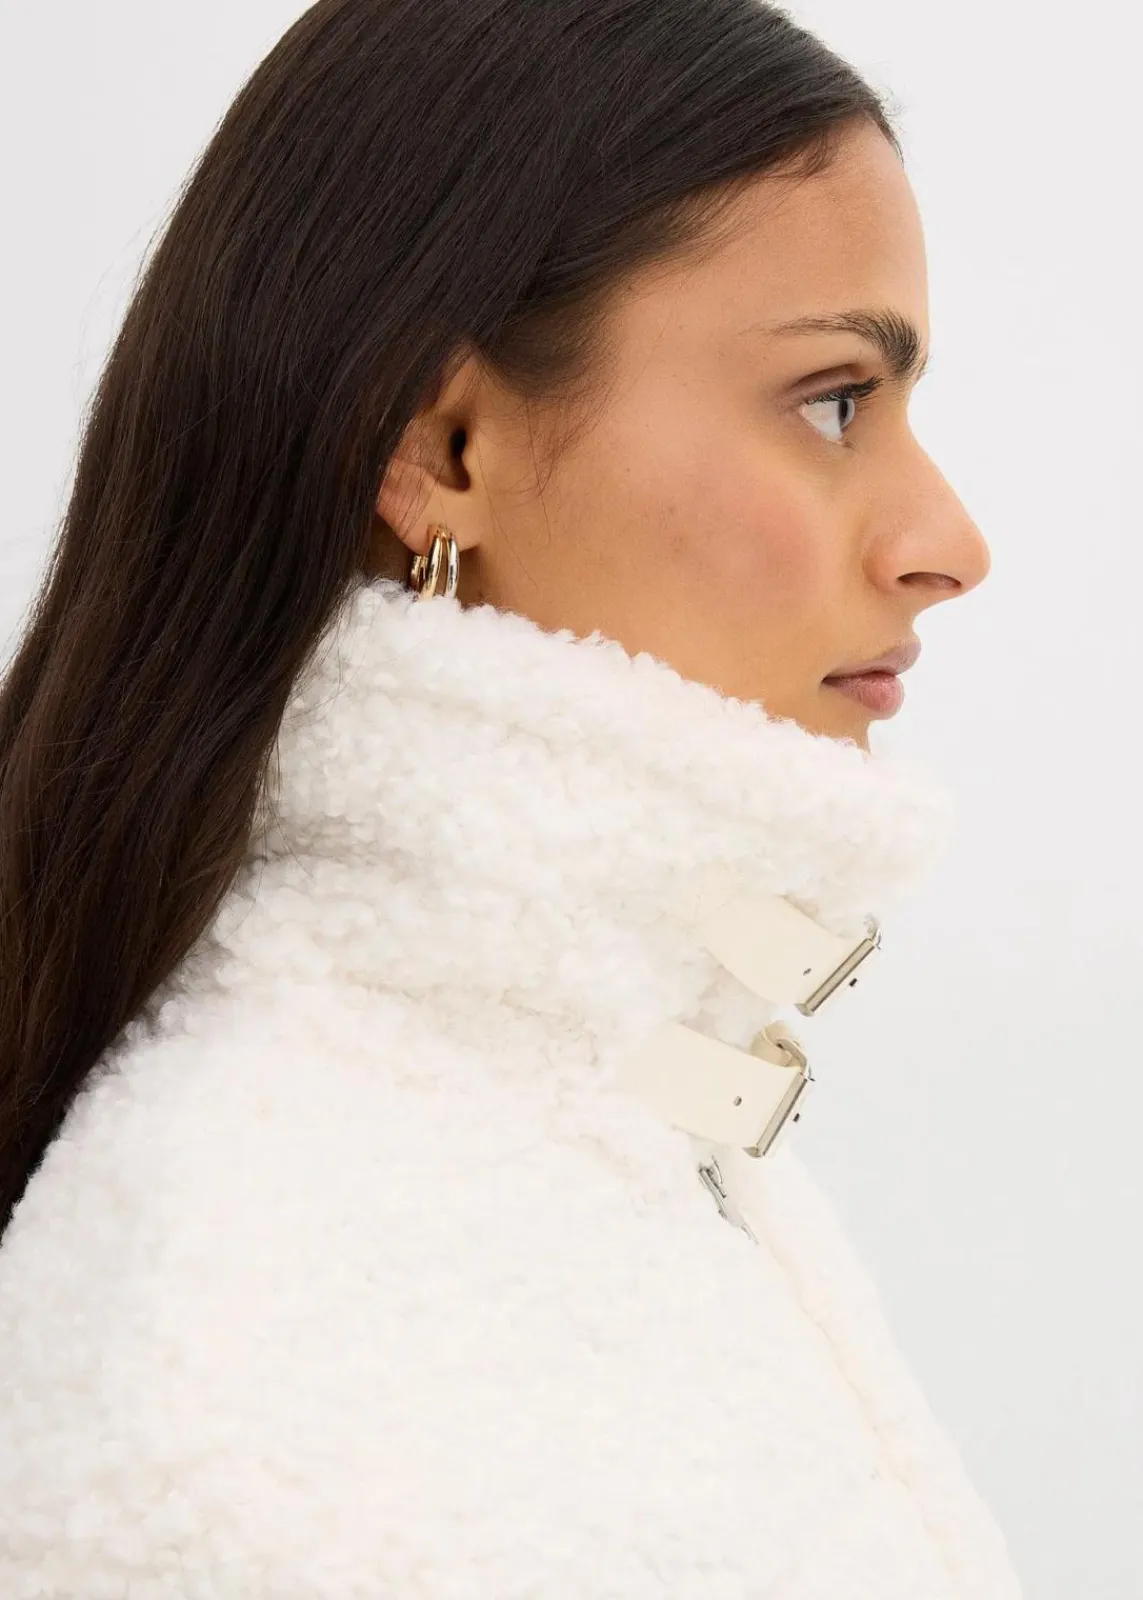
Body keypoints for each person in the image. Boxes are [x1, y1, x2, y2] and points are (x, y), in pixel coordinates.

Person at [0, 0, 1024, 1593]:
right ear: (441, 450)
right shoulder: (255, 1352)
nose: (949, 543)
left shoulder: (565, 1143)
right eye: (833, 400)